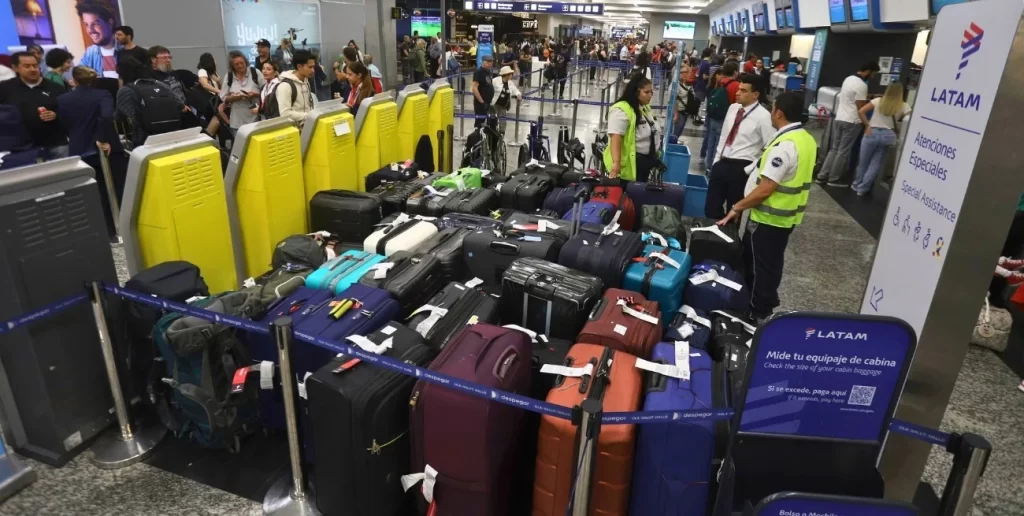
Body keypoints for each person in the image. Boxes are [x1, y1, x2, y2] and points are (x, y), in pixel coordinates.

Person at [716, 91, 816, 323]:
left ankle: (756, 311)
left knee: (759, 267)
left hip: (769, 219)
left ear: (779, 113)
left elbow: (766, 188)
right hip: (787, 217)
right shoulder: (806, 139)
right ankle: (764, 304)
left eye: (773, 109)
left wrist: (737, 207)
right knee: (771, 263)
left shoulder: (785, 145)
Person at [57, 66, 120, 238]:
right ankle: (114, 230)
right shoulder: (103, 95)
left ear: (75, 80)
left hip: (78, 149)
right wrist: (101, 138)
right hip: (102, 150)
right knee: (110, 191)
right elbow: (107, 116)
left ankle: (98, 231)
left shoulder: (63, 99)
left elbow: (64, 123)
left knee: (88, 194)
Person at [706, 74, 776, 219]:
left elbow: (771, 147)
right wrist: (716, 162)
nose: (737, 93)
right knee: (710, 209)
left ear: (755, 94)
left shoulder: (764, 117)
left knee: (733, 213)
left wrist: (749, 169)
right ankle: (712, 238)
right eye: (738, 89)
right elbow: (724, 137)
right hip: (722, 163)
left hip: (741, 168)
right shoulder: (733, 108)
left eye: (743, 91)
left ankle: (729, 239)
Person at [816, 61, 880, 186]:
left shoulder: (848, 79)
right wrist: (866, 124)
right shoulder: (862, 85)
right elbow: (860, 108)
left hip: (839, 118)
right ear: (868, 71)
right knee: (843, 152)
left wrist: (871, 96)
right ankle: (833, 179)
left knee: (834, 149)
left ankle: (822, 176)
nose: (873, 77)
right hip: (852, 121)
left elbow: (852, 97)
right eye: (873, 74)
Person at [0, 51, 68, 160]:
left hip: (56, 144)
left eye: (35, 66)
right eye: (27, 66)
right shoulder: (5, 88)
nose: (32, 69)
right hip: (22, 148)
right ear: (15, 68)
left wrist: (56, 115)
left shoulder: (55, 88)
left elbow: (68, 111)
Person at [851, 82, 911, 196]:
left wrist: (867, 125)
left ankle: (856, 184)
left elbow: (861, 111)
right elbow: (909, 119)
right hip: (888, 136)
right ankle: (863, 189)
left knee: (863, 162)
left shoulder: (878, 101)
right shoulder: (904, 105)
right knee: (875, 163)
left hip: (871, 132)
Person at [116, 56, 182, 147]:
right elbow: (180, 104)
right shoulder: (160, 84)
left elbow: (124, 118)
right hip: (173, 135)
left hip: (145, 140)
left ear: (122, 75)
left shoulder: (126, 90)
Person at [604, 74, 658, 183]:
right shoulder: (621, 109)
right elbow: (616, 136)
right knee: (629, 195)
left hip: (645, 162)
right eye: (646, 92)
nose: (650, 95)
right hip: (631, 163)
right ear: (636, 92)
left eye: (651, 91)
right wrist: (616, 162)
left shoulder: (643, 107)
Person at [219, 51, 264, 134]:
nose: (240, 66)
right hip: (237, 121)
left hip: (256, 120)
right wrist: (234, 98)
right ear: (232, 66)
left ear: (245, 62)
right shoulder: (229, 76)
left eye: (241, 63)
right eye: (236, 64)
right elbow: (223, 97)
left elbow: (266, 91)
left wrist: (255, 94)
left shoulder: (255, 73)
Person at [76, 1, 121, 78]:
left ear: (110, 23)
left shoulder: (127, 50)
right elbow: (80, 78)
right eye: (86, 25)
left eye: (95, 24)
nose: (90, 30)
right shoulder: (90, 53)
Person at [275, 48, 315, 126]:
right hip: (293, 132)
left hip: (307, 127)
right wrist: (309, 116)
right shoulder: (285, 86)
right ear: (299, 66)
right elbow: (285, 114)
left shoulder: (306, 82)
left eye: (313, 67)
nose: (313, 70)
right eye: (310, 67)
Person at [701, 68, 726, 172]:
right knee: (709, 137)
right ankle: (704, 157)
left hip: (716, 116)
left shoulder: (723, 87)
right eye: (719, 75)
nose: (721, 77)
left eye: (723, 75)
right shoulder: (711, 87)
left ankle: (710, 164)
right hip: (711, 115)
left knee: (713, 139)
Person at [491, 65, 522, 135]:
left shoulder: (510, 82)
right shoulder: (495, 81)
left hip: (503, 106)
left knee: (503, 123)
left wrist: (518, 94)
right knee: (492, 121)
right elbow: (489, 89)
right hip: (494, 105)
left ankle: (501, 136)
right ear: (506, 75)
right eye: (511, 74)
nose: (512, 75)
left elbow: (515, 90)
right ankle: (492, 135)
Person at [471, 55, 495, 128]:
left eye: (491, 61)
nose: (490, 63)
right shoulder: (479, 72)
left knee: (484, 121)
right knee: (479, 122)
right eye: (487, 62)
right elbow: (474, 88)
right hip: (480, 103)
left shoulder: (489, 71)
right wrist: (481, 102)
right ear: (483, 62)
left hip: (487, 102)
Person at [673, 61, 693, 138]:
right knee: (675, 134)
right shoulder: (675, 85)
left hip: (685, 112)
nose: (684, 74)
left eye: (686, 72)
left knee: (679, 133)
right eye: (682, 72)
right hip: (678, 112)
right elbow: (673, 100)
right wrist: (676, 115)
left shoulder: (684, 83)